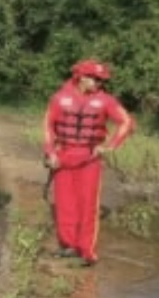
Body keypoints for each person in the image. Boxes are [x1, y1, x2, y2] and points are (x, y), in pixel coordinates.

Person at [43, 59, 134, 266]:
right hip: (64, 156)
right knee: (65, 203)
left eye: (100, 79)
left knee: (87, 205)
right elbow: (48, 125)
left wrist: (110, 146)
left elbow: (126, 122)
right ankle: (68, 246)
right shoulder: (59, 98)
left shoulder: (106, 101)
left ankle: (86, 252)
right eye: (93, 78)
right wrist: (50, 153)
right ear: (80, 77)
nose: (97, 83)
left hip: (89, 158)